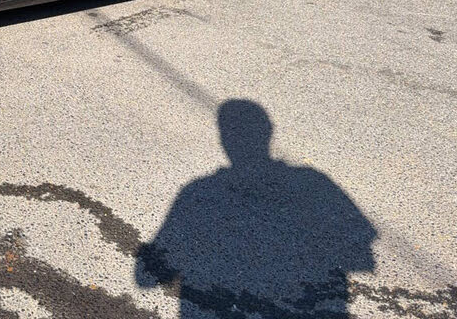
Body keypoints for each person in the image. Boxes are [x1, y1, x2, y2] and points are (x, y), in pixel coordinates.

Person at [136, 99, 376, 318]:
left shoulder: (197, 192)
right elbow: (360, 245)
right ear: (268, 133)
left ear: (224, 139)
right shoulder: (314, 181)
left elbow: (146, 277)